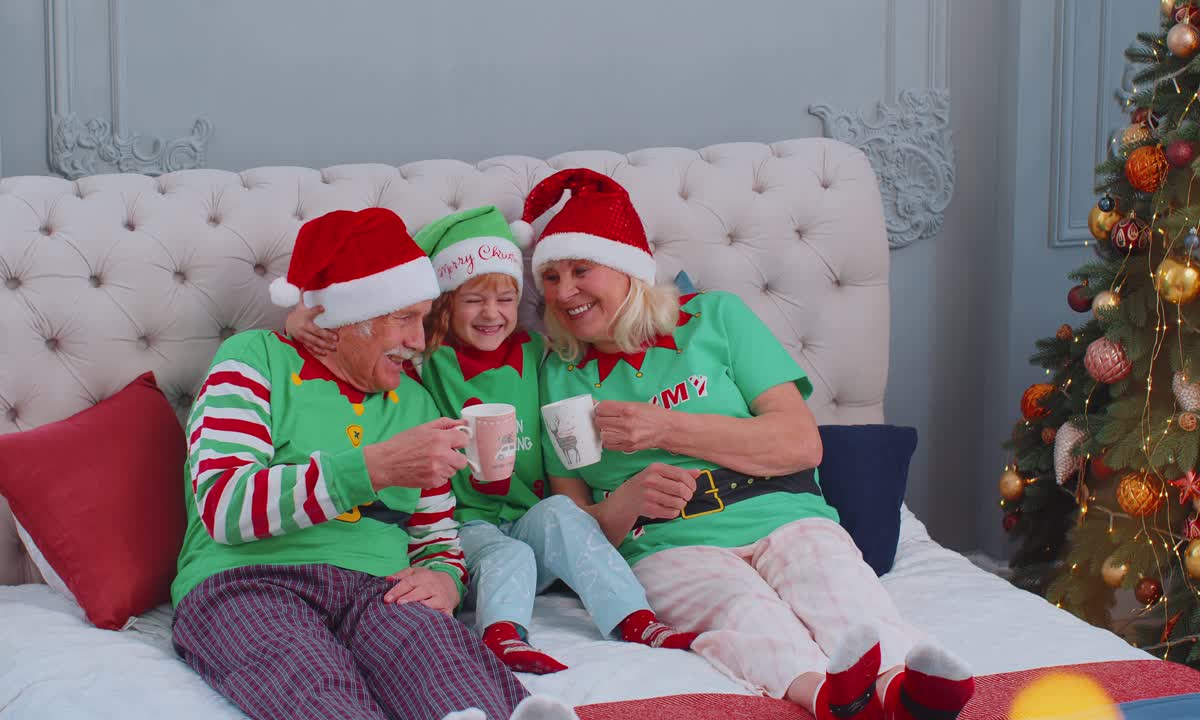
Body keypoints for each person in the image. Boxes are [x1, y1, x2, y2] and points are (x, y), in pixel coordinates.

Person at [524, 169, 976, 720]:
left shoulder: (716, 318)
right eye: (549, 276)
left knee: (835, 584)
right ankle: (831, 701)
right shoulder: (558, 375)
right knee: (744, 610)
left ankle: (900, 690)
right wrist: (628, 501)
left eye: (580, 270)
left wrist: (664, 429)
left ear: (625, 266)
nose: (563, 291)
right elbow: (570, 530)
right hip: (668, 545)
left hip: (783, 512)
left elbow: (800, 445)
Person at [173, 208, 575, 720]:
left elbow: (436, 538)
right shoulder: (254, 358)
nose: (416, 339)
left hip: (380, 590)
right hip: (247, 581)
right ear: (346, 321)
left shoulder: (415, 402)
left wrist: (447, 579)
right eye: (403, 319)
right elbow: (227, 507)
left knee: (443, 665)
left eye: (422, 318)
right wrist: (374, 468)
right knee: (311, 681)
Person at [287, 206, 696, 677]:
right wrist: (302, 324)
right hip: (464, 533)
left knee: (562, 516)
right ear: (444, 304)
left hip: (525, 520)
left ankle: (635, 619)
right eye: (473, 301)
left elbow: (610, 336)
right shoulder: (426, 361)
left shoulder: (536, 353)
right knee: (508, 553)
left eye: (505, 300)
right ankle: (502, 636)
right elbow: (360, 341)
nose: (491, 314)